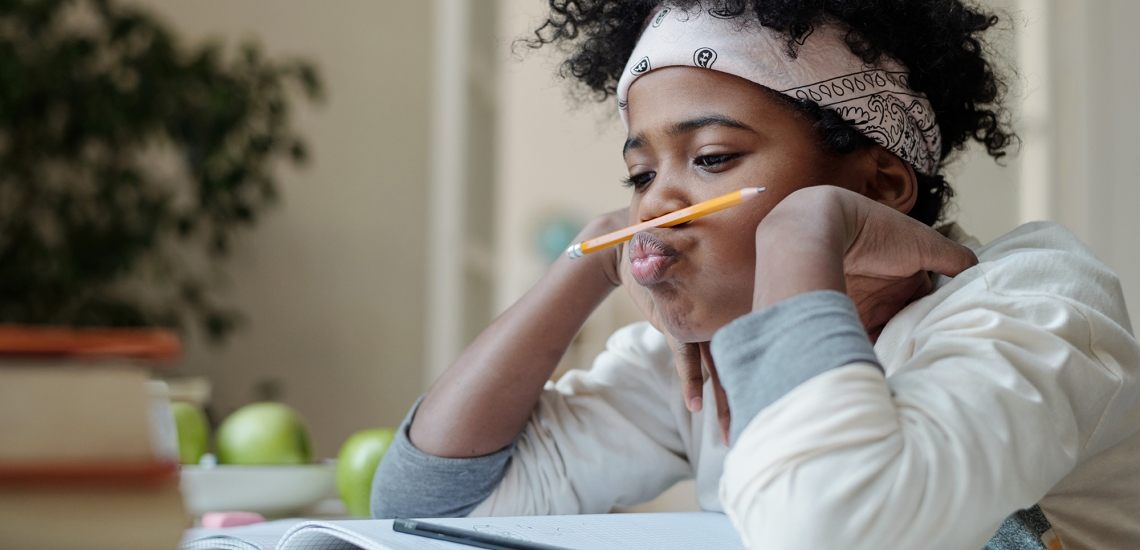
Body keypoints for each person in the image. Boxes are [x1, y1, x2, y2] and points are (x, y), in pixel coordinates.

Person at [372, 1, 1140, 548]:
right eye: (640, 176)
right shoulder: (713, 356)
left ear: (879, 186)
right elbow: (432, 505)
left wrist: (802, 235)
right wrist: (592, 257)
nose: (658, 204)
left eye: (711, 159)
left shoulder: (1034, 307)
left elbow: (828, 530)